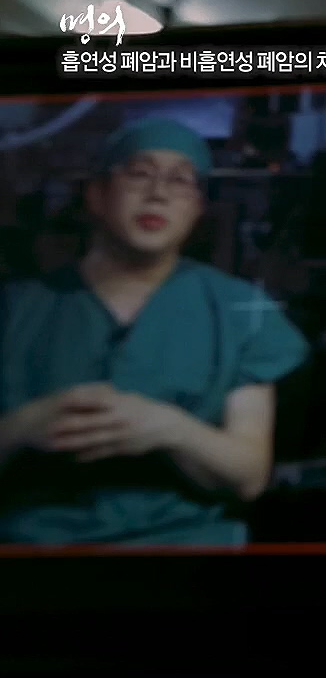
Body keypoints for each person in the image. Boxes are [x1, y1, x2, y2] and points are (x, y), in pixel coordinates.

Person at [0, 117, 309, 546]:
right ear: (97, 194)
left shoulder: (237, 311)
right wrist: (24, 425)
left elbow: (249, 475)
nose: (158, 193)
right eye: (139, 173)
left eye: (180, 181)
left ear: (197, 208)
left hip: (183, 548)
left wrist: (169, 428)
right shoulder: (16, 308)